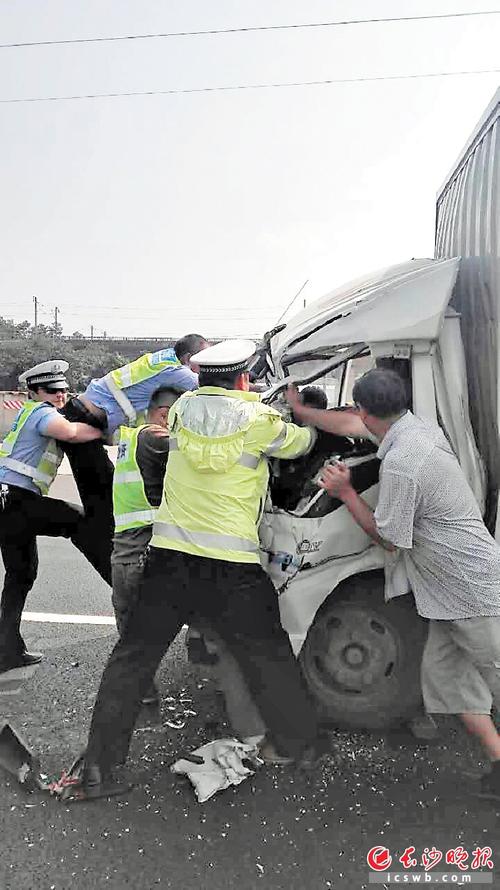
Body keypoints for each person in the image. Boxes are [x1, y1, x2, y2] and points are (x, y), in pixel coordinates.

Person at [57, 339, 324, 800]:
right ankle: (302, 747)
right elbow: (302, 443)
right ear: (243, 379)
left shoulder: (178, 413)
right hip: (233, 569)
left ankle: (98, 773)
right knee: (268, 655)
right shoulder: (261, 421)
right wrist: (299, 410)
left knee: (132, 660)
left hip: (168, 561)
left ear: (199, 378)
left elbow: (208, 414)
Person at [315, 367, 500, 801]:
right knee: (445, 678)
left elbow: (390, 540)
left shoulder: (402, 462)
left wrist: (345, 492)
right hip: (444, 592)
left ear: (362, 411)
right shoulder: (418, 430)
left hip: (469, 587)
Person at [60, 334, 209, 583]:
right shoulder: (175, 371)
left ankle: (124, 582)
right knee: (104, 513)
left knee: (106, 508)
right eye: (204, 361)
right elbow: (214, 385)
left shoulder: (159, 360)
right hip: (81, 422)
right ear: (189, 359)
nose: (206, 366)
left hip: (84, 417)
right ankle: (123, 584)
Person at [0, 361, 109, 673]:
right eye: (51, 390)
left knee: (20, 575)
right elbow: (73, 433)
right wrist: (103, 426)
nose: (60, 395)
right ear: (35, 392)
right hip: (14, 499)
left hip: (9, 501)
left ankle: (6, 650)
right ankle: (114, 571)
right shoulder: (41, 412)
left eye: (63, 389)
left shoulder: (31, 412)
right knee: (75, 519)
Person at [111, 384, 181, 705]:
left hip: (123, 558)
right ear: (165, 415)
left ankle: (140, 694)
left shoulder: (128, 440)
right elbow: (198, 452)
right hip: (145, 556)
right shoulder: (155, 438)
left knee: (132, 635)